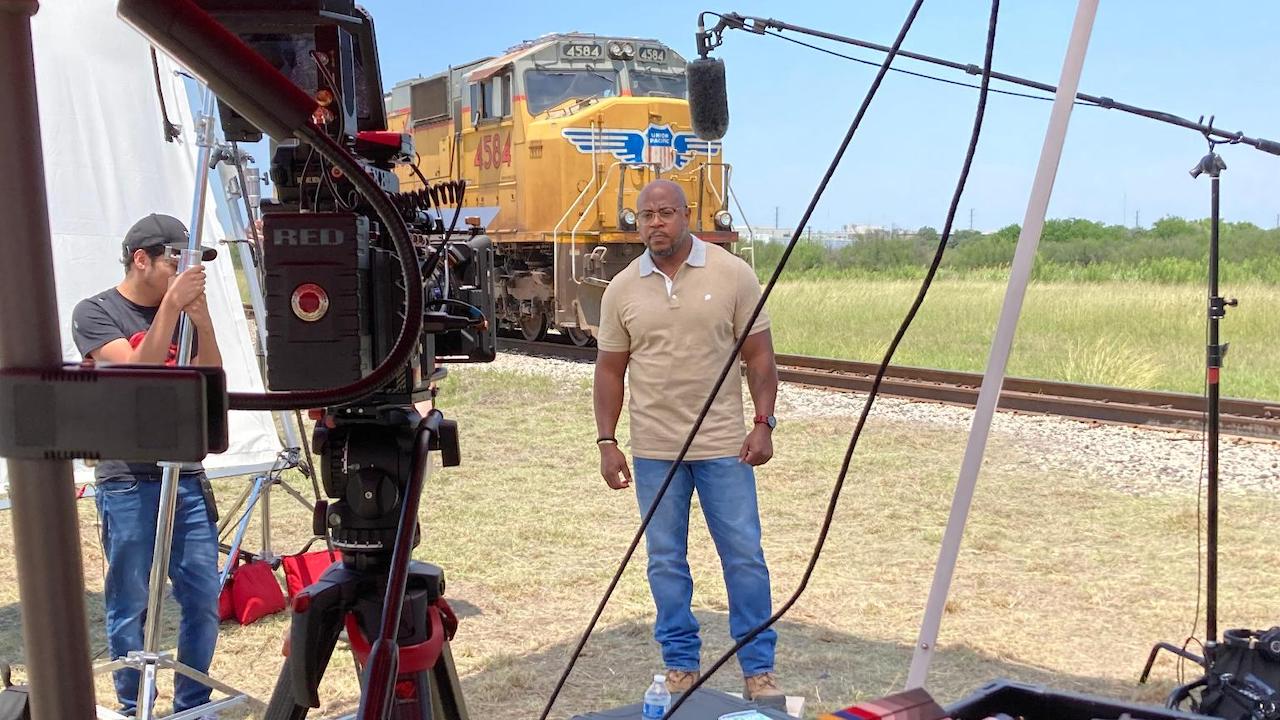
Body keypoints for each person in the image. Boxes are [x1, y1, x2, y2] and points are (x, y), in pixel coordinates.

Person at [593, 180, 784, 706]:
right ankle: (680, 665)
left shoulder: (732, 275)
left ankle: (759, 670)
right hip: (655, 452)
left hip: (726, 447)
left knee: (744, 556)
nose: (656, 223)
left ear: (686, 214)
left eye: (666, 213)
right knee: (665, 560)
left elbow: (760, 359)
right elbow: (610, 371)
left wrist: (764, 423)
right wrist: (607, 441)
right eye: (646, 215)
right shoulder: (622, 289)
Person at [71, 213, 223, 716]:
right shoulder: (95, 312)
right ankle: (134, 703)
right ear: (142, 259)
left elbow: (210, 380)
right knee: (130, 598)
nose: (183, 273)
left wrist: (200, 321)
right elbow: (137, 370)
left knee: (203, 595)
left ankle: (192, 705)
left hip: (185, 472)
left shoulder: (182, 311)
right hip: (127, 478)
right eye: (175, 260)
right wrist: (173, 309)